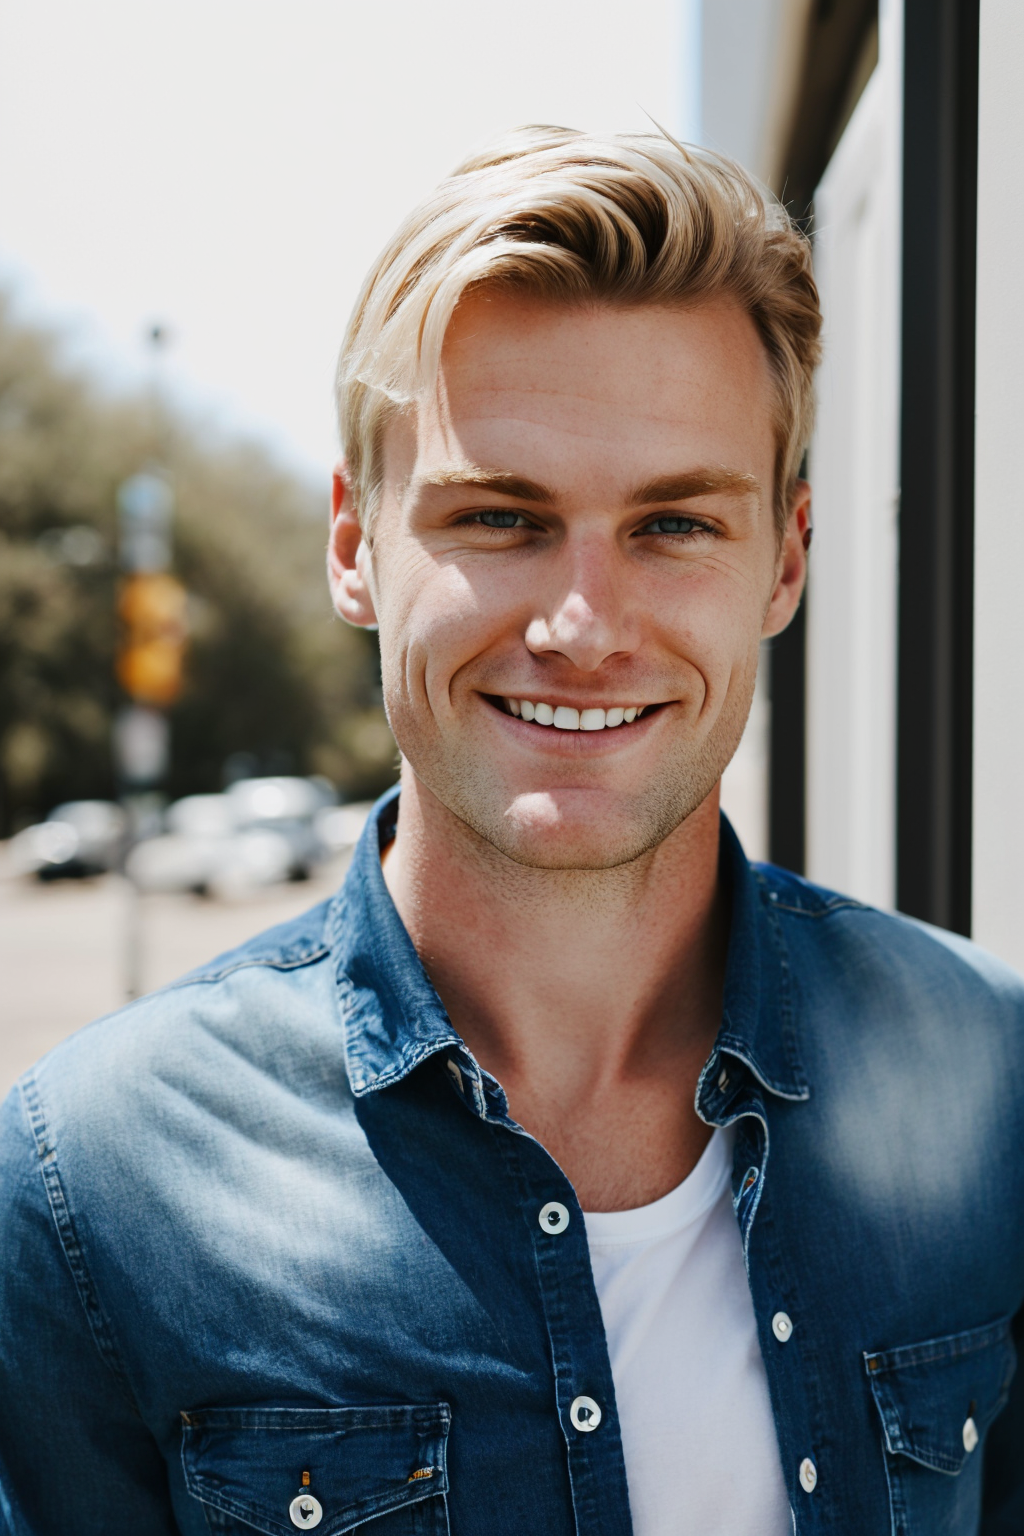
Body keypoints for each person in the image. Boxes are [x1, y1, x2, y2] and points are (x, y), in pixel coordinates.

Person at [1, 126, 1021, 1536]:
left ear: (785, 559)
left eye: (673, 526)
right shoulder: (91, 1182)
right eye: (498, 516)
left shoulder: (991, 1074)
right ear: (356, 545)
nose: (583, 627)